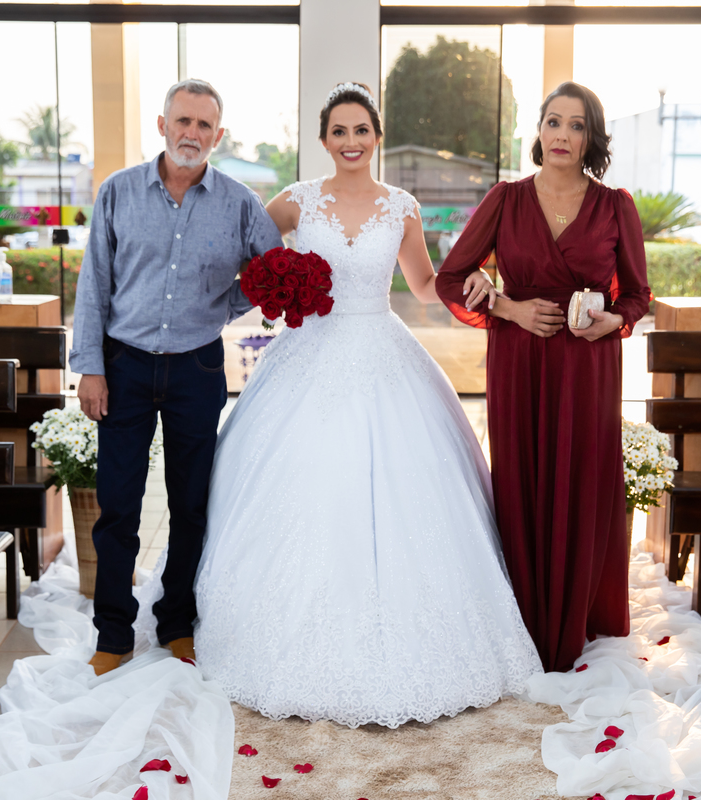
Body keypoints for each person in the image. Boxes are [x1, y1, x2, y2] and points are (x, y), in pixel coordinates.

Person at [191, 82, 543, 728]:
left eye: (361, 131)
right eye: (339, 131)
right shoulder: (295, 200)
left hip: (383, 346)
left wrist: (480, 283)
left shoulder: (400, 207)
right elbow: (248, 258)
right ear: (323, 140)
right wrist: (277, 287)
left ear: (377, 138)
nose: (350, 142)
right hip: (307, 353)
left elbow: (424, 284)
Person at [435, 81, 652, 673]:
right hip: (519, 360)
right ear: (538, 130)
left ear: (591, 138)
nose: (562, 135)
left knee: (580, 479)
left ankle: (575, 615)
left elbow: (637, 294)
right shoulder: (505, 200)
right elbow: (450, 279)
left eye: (576, 125)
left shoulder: (616, 207)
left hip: (586, 366)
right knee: (523, 477)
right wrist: (509, 308)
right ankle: (522, 616)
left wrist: (611, 321)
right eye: (553, 121)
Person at [70, 79, 283, 676]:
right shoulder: (118, 192)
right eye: (183, 121)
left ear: (219, 135)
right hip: (124, 365)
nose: (192, 133)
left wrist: (225, 306)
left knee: (191, 505)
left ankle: (176, 623)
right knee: (118, 505)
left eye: (204, 124)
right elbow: (94, 284)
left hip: (197, 366)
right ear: (162, 125)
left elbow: (273, 273)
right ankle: (113, 633)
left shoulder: (240, 203)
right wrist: (90, 367)